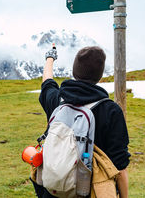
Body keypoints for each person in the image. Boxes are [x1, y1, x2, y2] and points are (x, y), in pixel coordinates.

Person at [32, 44, 130, 198]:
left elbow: (47, 82)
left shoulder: (58, 100)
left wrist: (50, 58)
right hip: (90, 192)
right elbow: (120, 165)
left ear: (74, 70)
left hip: (53, 190)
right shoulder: (111, 110)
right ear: (100, 75)